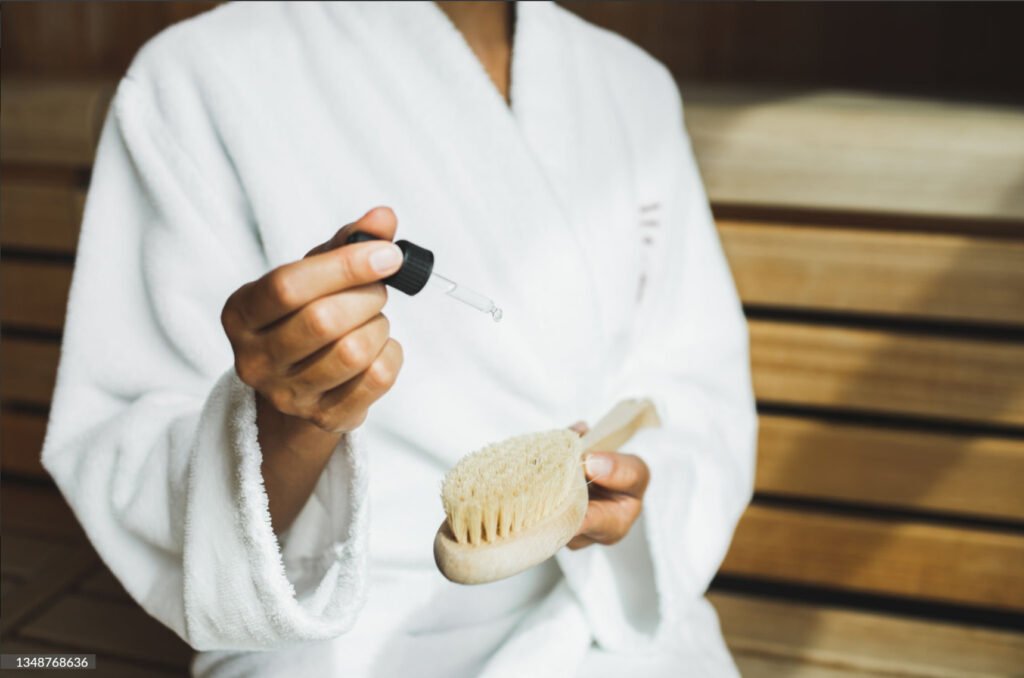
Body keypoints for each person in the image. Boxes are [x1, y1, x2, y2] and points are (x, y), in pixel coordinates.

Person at [42, 2, 757, 676]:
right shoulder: (196, 76)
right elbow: (130, 446)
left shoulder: (631, 87)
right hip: (344, 635)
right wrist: (290, 420)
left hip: (612, 615)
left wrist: (630, 496)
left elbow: (695, 379)